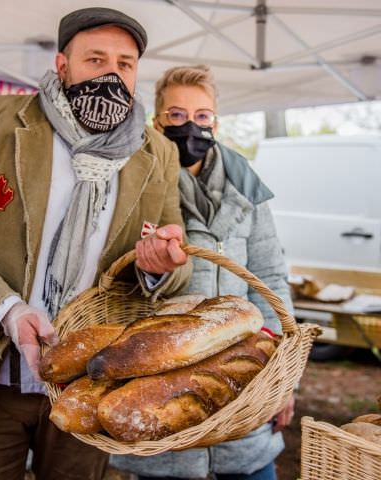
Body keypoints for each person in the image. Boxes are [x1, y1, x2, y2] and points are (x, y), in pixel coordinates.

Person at [0, 8, 191, 480]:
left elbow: (173, 258)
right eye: (95, 60)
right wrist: (9, 311)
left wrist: (160, 265)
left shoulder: (157, 152)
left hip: (88, 383)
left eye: (125, 64)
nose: (112, 75)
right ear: (63, 65)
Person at [110, 65, 295, 480]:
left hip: (243, 378)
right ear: (157, 121)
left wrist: (283, 379)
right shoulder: (135, 182)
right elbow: (116, 278)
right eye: (176, 115)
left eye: (202, 116)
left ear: (216, 120)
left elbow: (270, 279)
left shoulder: (245, 185)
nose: (190, 125)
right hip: (163, 381)